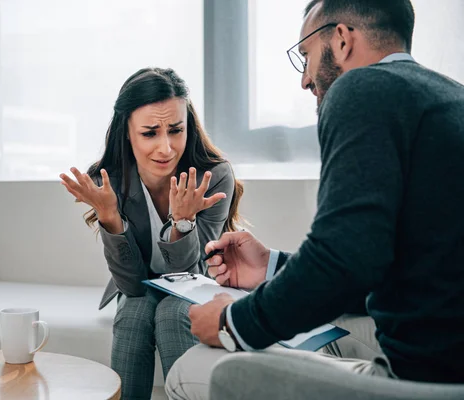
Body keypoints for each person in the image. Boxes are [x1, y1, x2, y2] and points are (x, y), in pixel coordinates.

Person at [165, 0, 464, 398]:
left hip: (420, 381)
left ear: (341, 40)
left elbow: (342, 258)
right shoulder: (448, 98)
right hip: (444, 357)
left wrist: (230, 322)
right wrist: (273, 267)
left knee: (192, 367)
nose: (305, 79)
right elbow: (392, 264)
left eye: (305, 54)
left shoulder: (361, 88)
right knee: (320, 334)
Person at [59, 67, 243, 400]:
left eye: (176, 130)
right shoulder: (109, 180)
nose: (166, 148)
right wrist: (109, 216)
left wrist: (183, 222)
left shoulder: (213, 176)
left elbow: (191, 275)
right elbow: (130, 283)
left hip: (197, 282)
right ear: (126, 132)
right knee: (133, 312)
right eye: (149, 133)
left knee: (174, 312)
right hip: (139, 282)